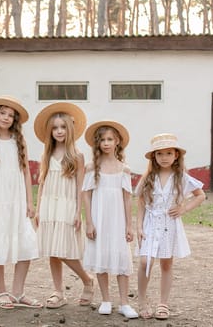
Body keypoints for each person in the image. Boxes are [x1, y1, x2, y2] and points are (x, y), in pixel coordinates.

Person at [0, 96, 42, 309]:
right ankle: (2, 291)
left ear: (15, 120)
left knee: (26, 244)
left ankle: (18, 292)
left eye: (10, 115)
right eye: (3, 113)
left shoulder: (19, 142)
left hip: (17, 200)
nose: (6, 117)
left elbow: (25, 173)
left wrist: (29, 202)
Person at [135, 133, 205, 320]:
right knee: (145, 262)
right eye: (160, 154)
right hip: (150, 222)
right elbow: (141, 202)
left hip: (169, 224)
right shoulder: (149, 177)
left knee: (166, 262)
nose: (164, 157)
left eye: (168, 153)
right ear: (154, 157)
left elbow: (200, 195)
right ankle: (141, 301)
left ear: (176, 155)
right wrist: (138, 226)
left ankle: (163, 303)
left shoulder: (181, 177)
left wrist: (183, 208)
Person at [33, 102, 95, 309]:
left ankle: (87, 279)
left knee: (65, 250)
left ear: (70, 130)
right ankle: (58, 292)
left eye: (63, 127)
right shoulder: (46, 155)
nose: (59, 131)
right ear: (50, 131)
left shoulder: (77, 156)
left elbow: (80, 187)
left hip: (67, 205)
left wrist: (79, 212)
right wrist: (38, 208)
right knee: (52, 250)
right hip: (49, 205)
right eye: (55, 128)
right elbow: (42, 183)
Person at [82, 120, 138, 318]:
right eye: (102, 140)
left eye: (110, 139)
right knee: (101, 257)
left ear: (117, 142)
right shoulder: (92, 168)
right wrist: (89, 221)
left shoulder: (124, 169)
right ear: (97, 143)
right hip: (99, 218)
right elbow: (86, 195)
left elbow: (127, 198)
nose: (106, 143)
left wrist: (129, 226)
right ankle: (105, 299)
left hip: (118, 220)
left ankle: (124, 302)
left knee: (122, 258)